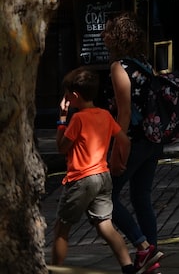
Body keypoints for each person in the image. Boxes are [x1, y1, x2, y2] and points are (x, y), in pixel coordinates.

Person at [53, 67, 141, 274]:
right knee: (105, 226)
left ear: (75, 96)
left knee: (61, 229)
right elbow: (125, 141)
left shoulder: (78, 119)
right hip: (102, 177)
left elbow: (61, 147)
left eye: (67, 94)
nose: (65, 98)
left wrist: (62, 119)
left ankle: (54, 270)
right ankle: (128, 268)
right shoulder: (105, 115)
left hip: (81, 180)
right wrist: (121, 162)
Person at [102, 12, 165, 274]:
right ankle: (151, 258)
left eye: (107, 31)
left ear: (117, 37)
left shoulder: (119, 67)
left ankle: (143, 246)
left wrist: (118, 150)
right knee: (141, 196)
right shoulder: (144, 64)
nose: (103, 36)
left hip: (133, 141)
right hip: (152, 140)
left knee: (105, 196)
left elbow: (124, 113)